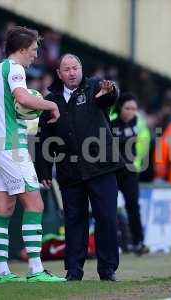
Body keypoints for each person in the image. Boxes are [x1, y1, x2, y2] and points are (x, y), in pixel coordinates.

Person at [0, 26, 65, 283]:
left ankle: (2, 272)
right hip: (11, 146)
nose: (35, 56)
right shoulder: (15, 69)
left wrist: (2, 118)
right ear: (22, 49)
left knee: (4, 207)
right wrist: (51, 104)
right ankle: (36, 269)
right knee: (35, 204)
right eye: (34, 50)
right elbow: (22, 97)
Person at [35, 53, 122, 281]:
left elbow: (109, 98)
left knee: (107, 219)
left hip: (101, 166)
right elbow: (45, 137)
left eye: (75, 67)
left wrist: (109, 93)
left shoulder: (95, 87)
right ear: (59, 74)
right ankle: (74, 270)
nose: (72, 72)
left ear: (81, 69)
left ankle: (107, 269)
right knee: (74, 222)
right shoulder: (51, 100)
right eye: (67, 69)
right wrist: (43, 169)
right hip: (70, 171)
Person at [110, 92, 150, 255]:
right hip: (111, 171)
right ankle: (112, 243)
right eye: (128, 108)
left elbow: (144, 142)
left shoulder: (139, 122)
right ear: (120, 108)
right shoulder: (110, 120)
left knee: (133, 206)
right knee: (109, 208)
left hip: (130, 171)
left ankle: (138, 242)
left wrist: (136, 163)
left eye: (134, 108)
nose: (131, 112)